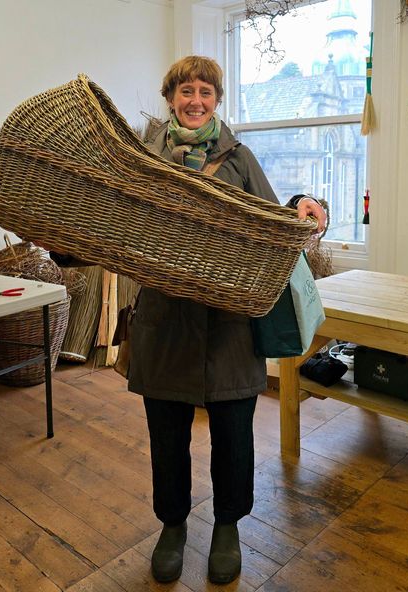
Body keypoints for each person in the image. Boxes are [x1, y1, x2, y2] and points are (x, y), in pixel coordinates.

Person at [127, 56, 327, 584]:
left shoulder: (239, 158)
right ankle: (172, 526)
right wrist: (64, 247)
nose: (196, 101)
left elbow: (271, 220)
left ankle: (227, 527)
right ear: (170, 97)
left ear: (217, 101)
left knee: (234, 435)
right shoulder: (140, 156)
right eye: (186, 91)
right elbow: (110, 222)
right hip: (165, 323)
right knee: (167, 435)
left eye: (206, 93)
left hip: (229, 328)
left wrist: (302, 202)